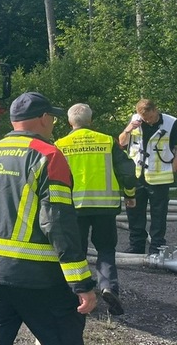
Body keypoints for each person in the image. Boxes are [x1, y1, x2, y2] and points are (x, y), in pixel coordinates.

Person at [0, 92, 96, 345]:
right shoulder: (48, 155)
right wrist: (81, 282)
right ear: (43, 118)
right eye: (52, 119)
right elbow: (58, 223)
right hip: (37, 278)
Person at [55, 103, 136, 316]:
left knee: (77, 250)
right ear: (90, 121)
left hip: (74, 208)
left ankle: (79, 293)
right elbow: (127, 171)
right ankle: (108, 286)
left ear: (69, 122)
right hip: (105, 207)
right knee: (106, 249)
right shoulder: (107, 141)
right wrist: (129, 195)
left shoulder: (60, 145)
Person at [118, 98, 177, 255]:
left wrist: (173, 169)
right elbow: (121, 142)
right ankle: (136, 246)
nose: (148, 121)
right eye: (144, 119)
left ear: (155, 110)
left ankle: (157, 246)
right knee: (134, 212)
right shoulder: (135, 122)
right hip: (137, 176)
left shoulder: (171, 123)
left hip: (160, 177)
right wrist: (129, 129)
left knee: (159, 215)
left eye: (150, 117)